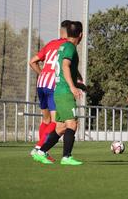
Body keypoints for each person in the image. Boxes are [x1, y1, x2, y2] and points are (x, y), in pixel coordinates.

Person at [33, 21, 84, 165]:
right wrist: (73, 87)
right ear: (81, 35)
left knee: (60, 127)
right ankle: (66, 157)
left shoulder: (62, 46)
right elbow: (65, 66)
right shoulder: (70, 48)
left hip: (58, 90)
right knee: (72, 124)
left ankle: (41, 151)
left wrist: (78, 84)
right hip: (65, 92)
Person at [29, 20, 71, 161]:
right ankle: (39, 148)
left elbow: (32, 61)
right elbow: (67, 66)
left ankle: (42, 151)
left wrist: (42, 74)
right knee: (56, 121)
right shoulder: (67, 46)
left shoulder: (51, 44)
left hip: (41, 83)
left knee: (46, 120)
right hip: (53, 84)